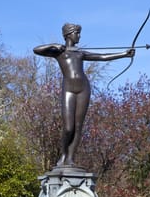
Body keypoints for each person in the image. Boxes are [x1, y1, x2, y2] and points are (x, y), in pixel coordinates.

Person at [34, 23, 135, 166]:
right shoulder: (59, 53)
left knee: (78, 126)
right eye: (77, 33)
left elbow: (103, 57)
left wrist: (124, 54)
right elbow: (36, 50)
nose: (79, 36)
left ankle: (71, 158)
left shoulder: (80, 53)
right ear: (69, 34)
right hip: (68, 89)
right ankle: (63, 155)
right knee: (69, 127)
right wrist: (54, 45)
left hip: (83, 88)